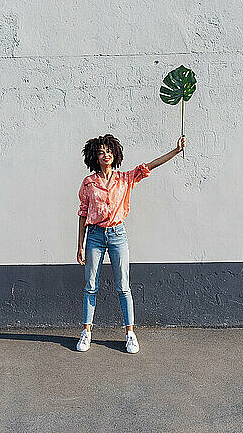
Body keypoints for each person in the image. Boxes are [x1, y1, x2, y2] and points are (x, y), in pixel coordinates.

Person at [76, 133, 186, 353]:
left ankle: (130, 334)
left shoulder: (125, 179)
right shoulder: (89, 183)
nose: (105, 155)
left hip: (117, 235)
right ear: (95, 157)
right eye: (101, 152)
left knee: (123, 286)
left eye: (108, 151)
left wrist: (176, 151)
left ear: (115, 153)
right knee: (90, 286)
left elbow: (151, 165)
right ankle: (86, 332)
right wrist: (79, 245)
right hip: (95, 236)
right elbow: (82, 214)